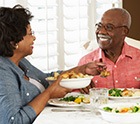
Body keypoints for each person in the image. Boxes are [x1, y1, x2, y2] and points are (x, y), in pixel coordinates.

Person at [0, 5, 106, 124]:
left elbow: (47, 80)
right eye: (30, 33)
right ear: (14, 42)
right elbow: (13, 121)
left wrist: (82, 69)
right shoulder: (3, 73)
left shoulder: (20, 62)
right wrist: (49, 94)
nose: (34, 38)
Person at [78, 8, 140, 93]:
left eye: (109, 27)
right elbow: (76, 100)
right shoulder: (85, 63)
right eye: (99, 26)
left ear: (124, 31)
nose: (101, 31)